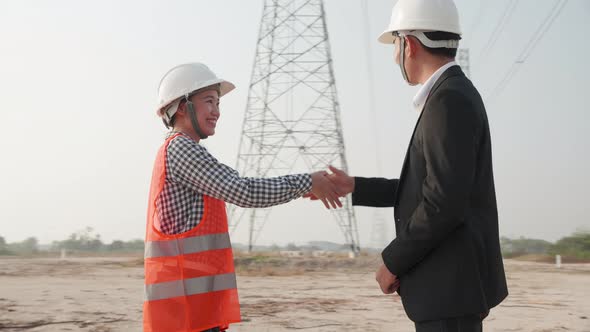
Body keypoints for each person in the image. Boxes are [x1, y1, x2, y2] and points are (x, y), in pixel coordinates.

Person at [310, 0, 508, 330]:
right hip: (450, 290)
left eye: (395, 45)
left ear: (410, 45)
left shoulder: (449, 100)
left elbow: (444, 202)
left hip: (449, 289)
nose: (394, 57)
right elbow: (429, 187)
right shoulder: (451, 94)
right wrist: (355, 185)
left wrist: (393, 260)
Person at [143, 62, 341, 332]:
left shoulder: (181, 150)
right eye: (209, 101)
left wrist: (307, 186)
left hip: (192, 310)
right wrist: (307, 181)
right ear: (181, 106)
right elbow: (242, 191)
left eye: (218, 103)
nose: (216, 112)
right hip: (186, 312)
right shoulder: (181, 149)